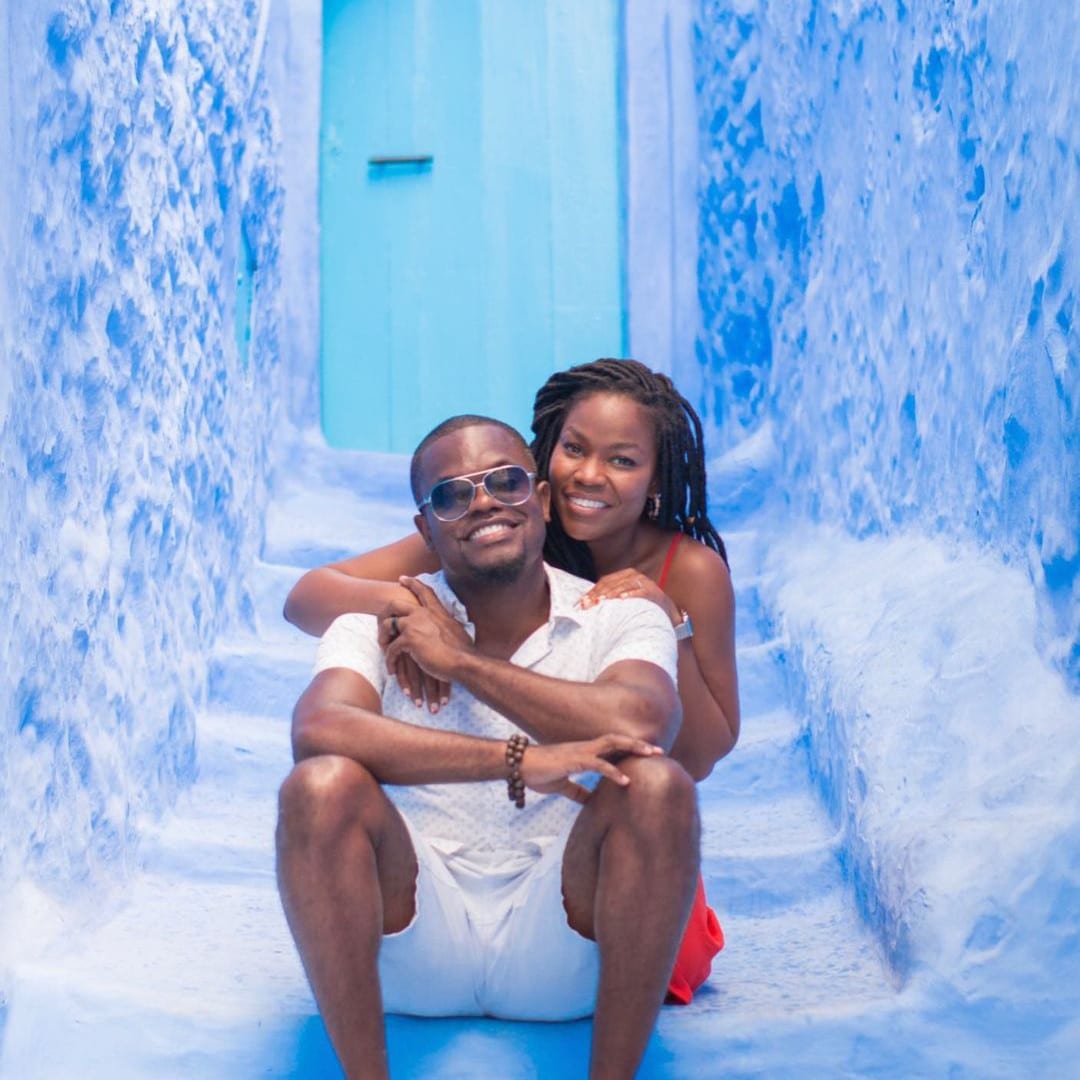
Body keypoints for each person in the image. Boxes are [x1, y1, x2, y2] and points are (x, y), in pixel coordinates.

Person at [284, 358, 738, 1004]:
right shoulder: (499, 526)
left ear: (657, 477)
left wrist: (673, 627)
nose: (590, 475)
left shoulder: (688, 569)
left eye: (622, 461)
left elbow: (700, 753)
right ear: (543, 457)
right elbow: (306, 597)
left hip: (608, 823)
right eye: (574, 449)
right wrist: (413, 605)